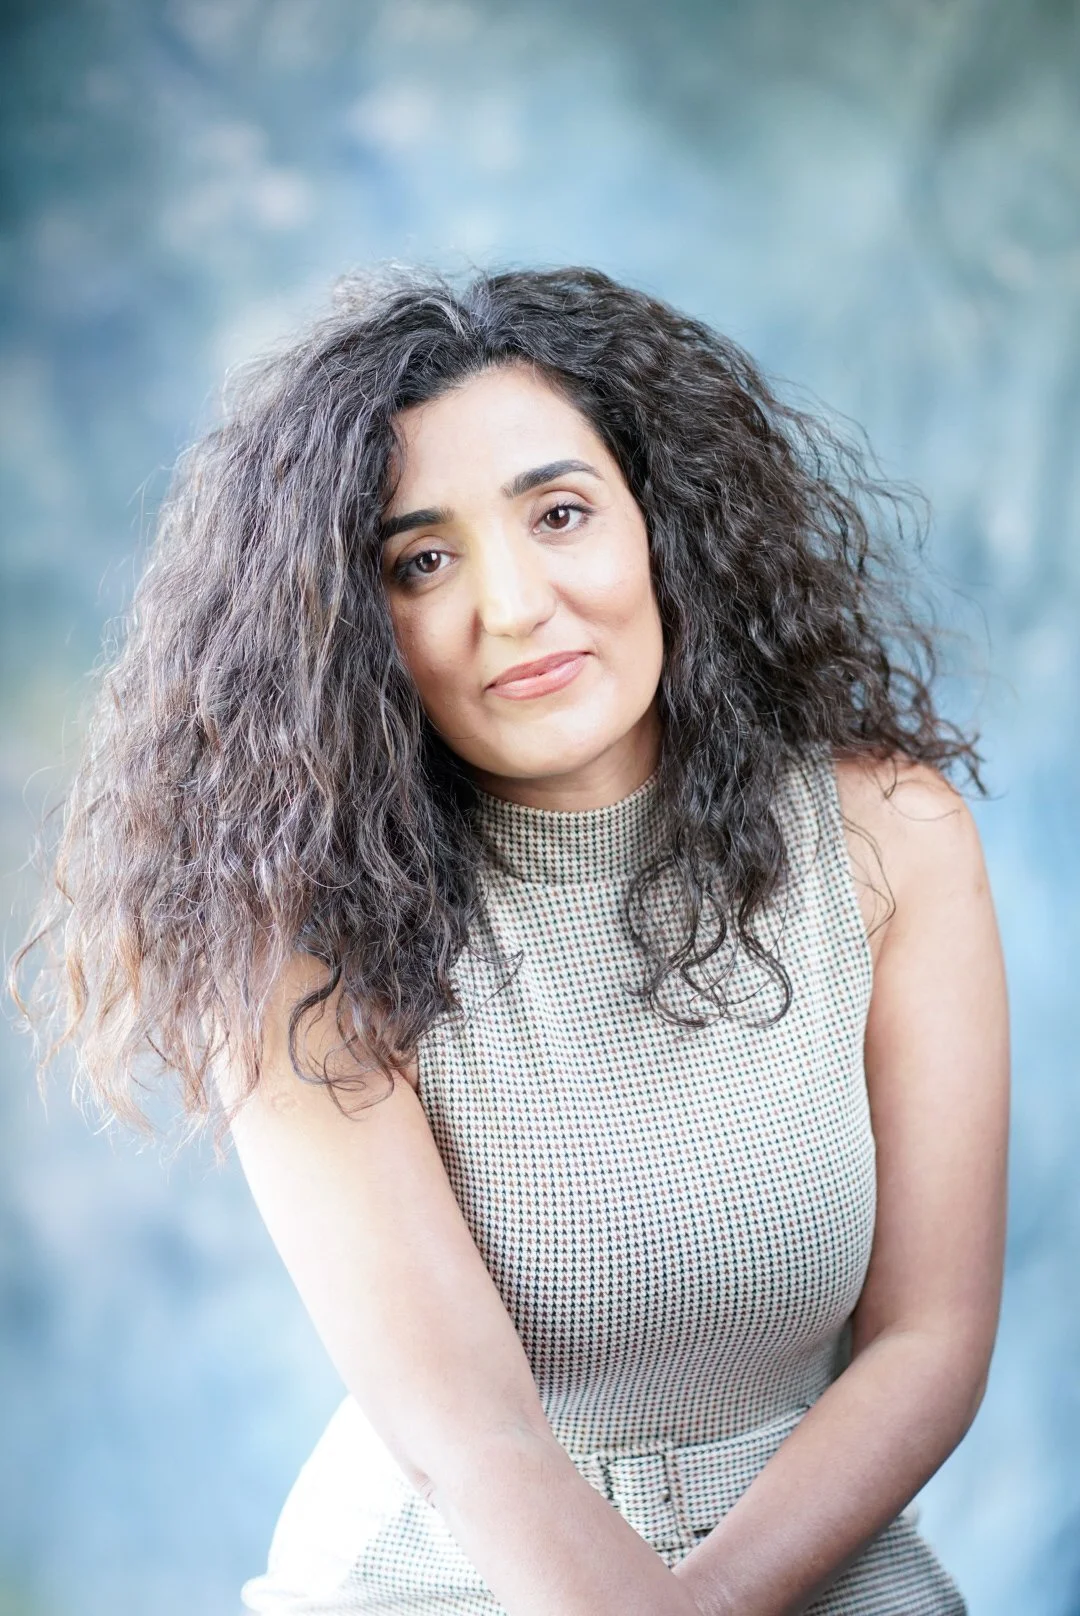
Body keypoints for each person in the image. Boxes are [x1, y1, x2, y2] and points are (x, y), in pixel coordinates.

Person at [12, 264, 1010, 1615]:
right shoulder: (296, 951)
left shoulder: (892, 838)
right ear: (357, 629)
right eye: (422, 561)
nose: (516, 604)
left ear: (665, 523)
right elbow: (476, 1445)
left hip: (819, 1569)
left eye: (559, 514)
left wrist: (711, 1604)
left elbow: (928, 1340)